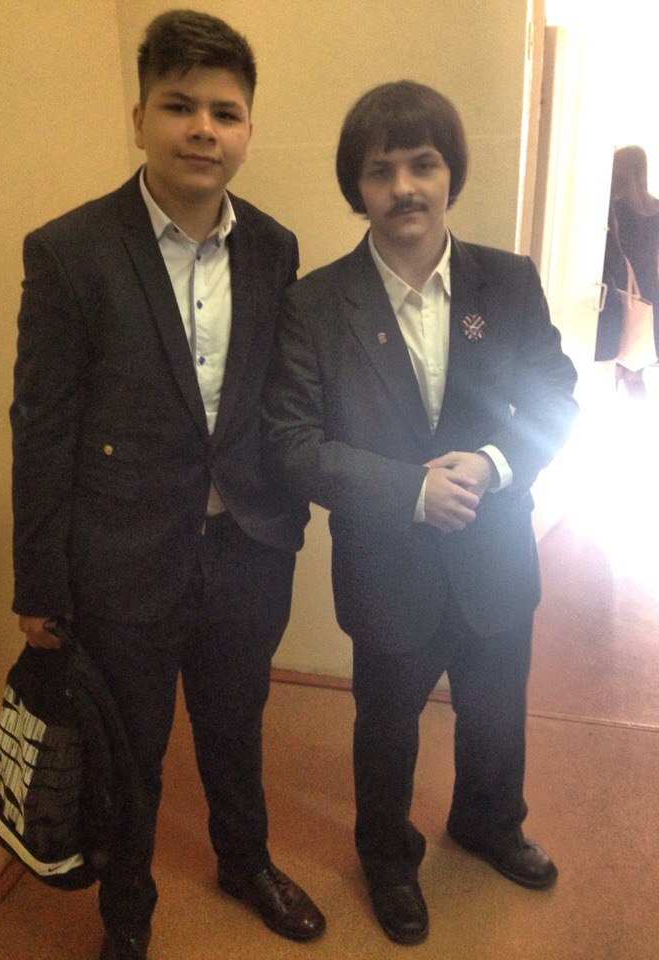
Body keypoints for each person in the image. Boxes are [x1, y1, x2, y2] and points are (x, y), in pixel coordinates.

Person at [10, 10, 324, 960]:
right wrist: (39, 581)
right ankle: (128, 914)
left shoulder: (274, 247)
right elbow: (42, 423)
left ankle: (245, 861)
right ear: (139, 117)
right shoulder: (69, 251)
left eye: (225, 113)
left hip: (247, 548)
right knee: (131, 749)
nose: (203, 130)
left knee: (236, 725)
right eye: (180, 106)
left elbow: (277, 396)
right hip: (124, 556)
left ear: (248, 129)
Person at [264, 80, 578, 946]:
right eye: (381, 170)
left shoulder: (506, 282)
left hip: (495, 550)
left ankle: (488, 819)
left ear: (451, 174)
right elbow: (292, 442)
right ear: (356, 187)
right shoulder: (315, 305)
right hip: (387, 563)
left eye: (423, 164)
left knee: (496, 706)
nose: (404, 187)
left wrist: (495, 463)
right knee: (387, 725)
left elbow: (556, 395)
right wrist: (410, 489)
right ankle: (387, 857)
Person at [597, 145, 659, 399]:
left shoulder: (612, 206)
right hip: (650, 291)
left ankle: (607, 402)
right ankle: (637, 409)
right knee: (637, 354)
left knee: (614, 358)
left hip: (620, 287)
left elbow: (609, 251)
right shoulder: (656, 207)